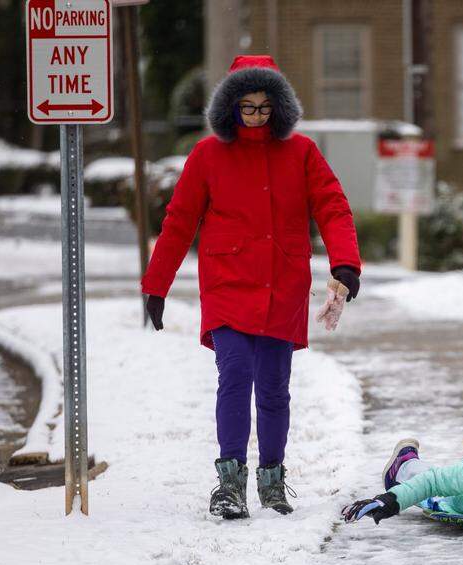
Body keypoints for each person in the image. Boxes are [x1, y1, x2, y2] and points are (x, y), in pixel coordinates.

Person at [140, 54, 362, 519]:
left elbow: (333, 208)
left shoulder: (301, 153)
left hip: (282, 286)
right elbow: (179, 222)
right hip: (228, 284)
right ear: (230, 107)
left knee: (275, 389)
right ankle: (230, 483)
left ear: (278, 107)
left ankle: (273, 479)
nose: (256, 115)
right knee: (235, 375)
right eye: (248, 106)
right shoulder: (207, 155)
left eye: (264, 107)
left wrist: (345, 266)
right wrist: (156, 285)